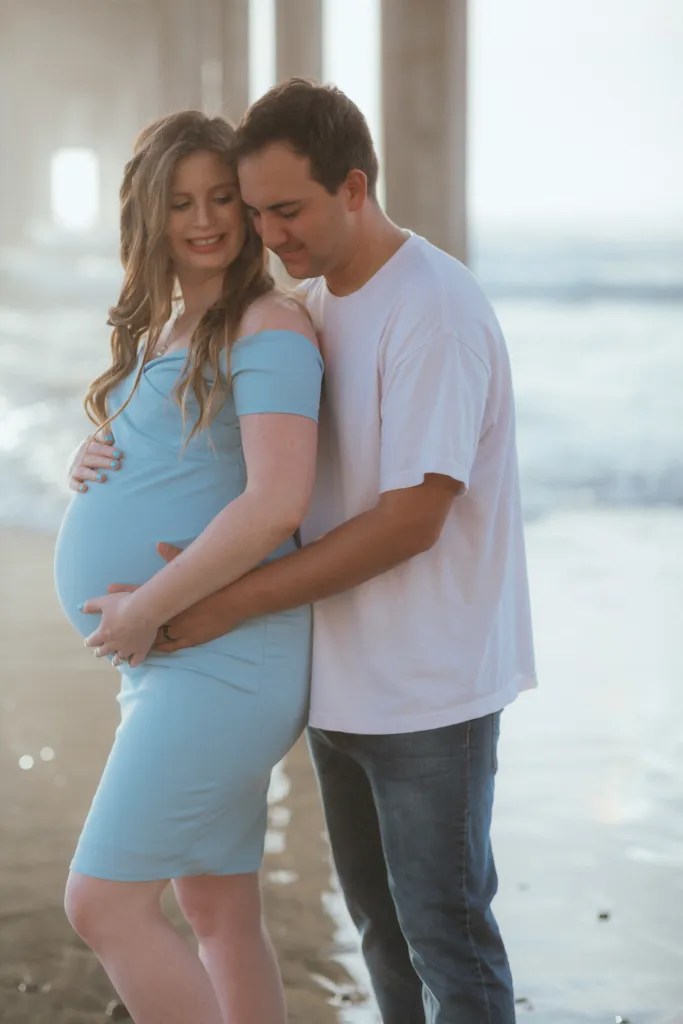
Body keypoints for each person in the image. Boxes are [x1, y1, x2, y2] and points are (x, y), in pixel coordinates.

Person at [73, 80, 537, 1023]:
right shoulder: (318, 300)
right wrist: (104, 453)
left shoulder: (431, 309)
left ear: (354, 187)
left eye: (284, 210)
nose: (264, 233)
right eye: (257, 212)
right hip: (340, 670)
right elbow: (228, 445)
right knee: (381, 934)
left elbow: (411, 518)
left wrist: (200, 605)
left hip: (428, 685)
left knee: (445, 939)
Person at [54, 109, 323, 1024]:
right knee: (217, 909)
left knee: (101, 904)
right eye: (180, 203)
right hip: (180, 662)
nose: (203, 219)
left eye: (220, 198)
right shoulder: (172, 328)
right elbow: (184, 460)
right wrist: (92, 459)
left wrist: (143, 609)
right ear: (148, 214)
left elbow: (277, 501)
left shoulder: (268, 325)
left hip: (223, 659)